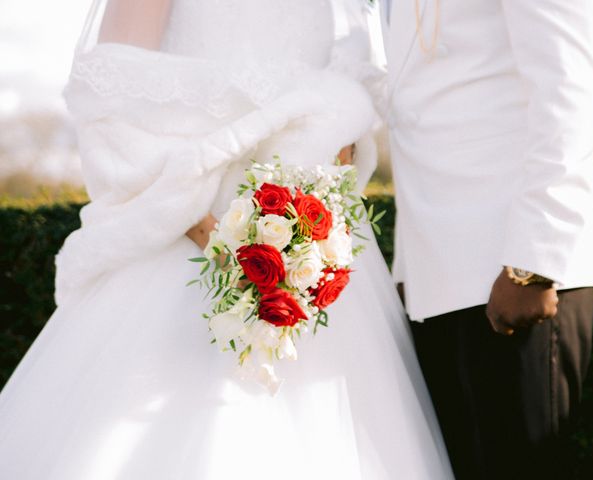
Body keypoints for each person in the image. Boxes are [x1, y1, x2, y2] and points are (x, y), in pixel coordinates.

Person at [0, 1, 454, 479]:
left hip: (313, 235)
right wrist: (211, 231)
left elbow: (352, 77)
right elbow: (111, 97)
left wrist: (315, 212)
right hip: (184, 234)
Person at [380, 0, 593, 479]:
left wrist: (533, 260)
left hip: (516, 262)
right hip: (443, 273)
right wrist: (410, 272)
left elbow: (569, 87)